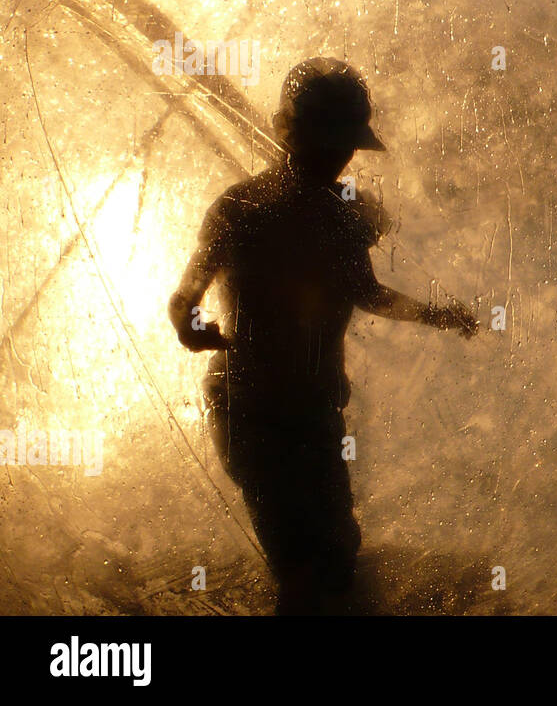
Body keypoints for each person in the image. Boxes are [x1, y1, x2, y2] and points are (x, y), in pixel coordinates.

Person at [168, 58, 477, 614]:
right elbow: (186, 292)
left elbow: (370, 294)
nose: (338, 157)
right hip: (250, 408)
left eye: (347, 145)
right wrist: (191, 327)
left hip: (315, 410)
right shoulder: (240, 209)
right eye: (326, 141)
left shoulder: (342, 216)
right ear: (289, 133)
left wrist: (439, 315)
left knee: (337, 555)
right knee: (296, 558)